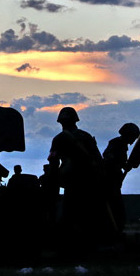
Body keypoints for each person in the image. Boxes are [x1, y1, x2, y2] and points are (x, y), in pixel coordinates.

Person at [47, 107, 107, 250]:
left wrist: (51, 181)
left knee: (69, 212)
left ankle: (70, 245)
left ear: (61, 121)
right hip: (89, 180)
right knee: (88, 213)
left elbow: (53, 161)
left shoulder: (59, 138)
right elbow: (98, 159)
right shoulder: (86, 136)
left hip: (71, 181)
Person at [102, 123, 140, 232]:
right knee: (115, 210)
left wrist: (124, 165)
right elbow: (107, 156)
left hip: (114, 182)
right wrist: (121, 165)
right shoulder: (116, 143)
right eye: (133, 136)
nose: (134, 140)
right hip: (109, 182)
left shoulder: (122, 145)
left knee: (117, 211)